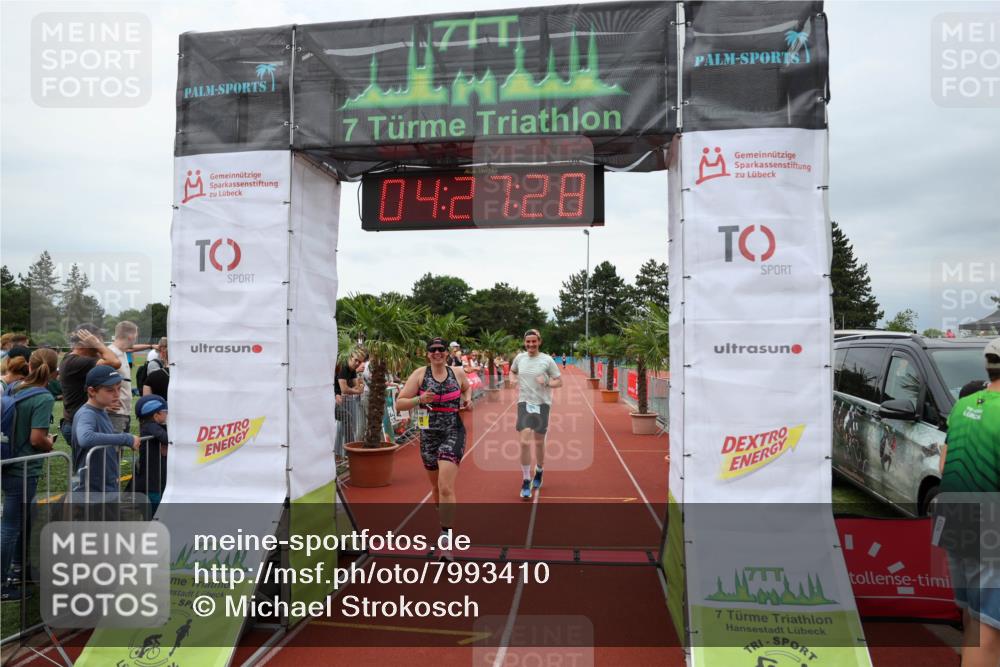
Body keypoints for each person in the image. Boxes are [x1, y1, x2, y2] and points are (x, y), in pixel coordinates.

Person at [937, 338, 1000, 667]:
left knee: (975, 620)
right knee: (990, 633)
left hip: (956, 519)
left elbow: (943, 464)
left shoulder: (964, 404)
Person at [395, 337, 471, 556]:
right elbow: (400, 402)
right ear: (427, 353)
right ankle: (443, 521)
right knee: (437, 488)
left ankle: (447, 538)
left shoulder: (457, 372)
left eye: (441, 349)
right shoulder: (420, 375)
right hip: (428, 434)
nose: (437, 353)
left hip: (453, 430)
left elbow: (467, 389)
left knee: (446, 486)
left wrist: (468, 399)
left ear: (447, 353)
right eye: (433, 350)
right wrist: (419, 400)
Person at [1, 348, 58, 601]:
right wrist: (50, 443)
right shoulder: (43, 397)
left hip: (8, 460)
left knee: (19, 521)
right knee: (11, 526)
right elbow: (36, 439)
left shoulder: (15, 388)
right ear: (55, 372)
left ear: (29, 366)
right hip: (24, 467)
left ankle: (17, 571)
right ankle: (4, 583)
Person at [72, 366, 140, 498]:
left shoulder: (101, 410)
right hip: (92, 490)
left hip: (105, 486)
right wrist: (125, 439)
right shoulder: (87, 414)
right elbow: (86, 438)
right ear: (92, 391)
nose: (117, 394)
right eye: (110, 390)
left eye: (119, 388)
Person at [510, 329, 563, 500]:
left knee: (539, 443)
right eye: (528, 342)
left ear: (539, 342)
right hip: (524, 402)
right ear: (524, 343)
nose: (531, 344)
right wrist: (512, 378)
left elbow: (559, 381)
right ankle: (526, 479)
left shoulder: (547, 360)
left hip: (542, 404)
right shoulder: (519, 358)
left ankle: (539, 470)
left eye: (534, 341)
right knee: (524, 441)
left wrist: (547, 382)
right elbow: (513, 371)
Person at [60, 324, 121, 448]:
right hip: (80, 423)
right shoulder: (76, 362)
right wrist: (97, 345)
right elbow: (115, 362)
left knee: (96, 464)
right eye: (97, 339)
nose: (101, 342)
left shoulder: (80, 360)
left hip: (80, 420)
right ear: (85, 343)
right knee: (91, 465)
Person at [133, 395, 168, 511]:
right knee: (154, 507)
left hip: (154, 477)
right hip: (151, 480)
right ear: (156, 415)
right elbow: (165, 438)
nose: (167, 415)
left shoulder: (150, 426)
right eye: (165, 412)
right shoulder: (151, 426)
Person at [108, 321, 140, 433]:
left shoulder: (123, 352)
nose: (136, 339)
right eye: (136, 335)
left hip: (123, 413)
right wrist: (104, 406)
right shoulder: (110, 354)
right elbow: (92, 381)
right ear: (130, 335)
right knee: (113, 450)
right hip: (114, 415)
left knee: (119, 450)